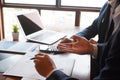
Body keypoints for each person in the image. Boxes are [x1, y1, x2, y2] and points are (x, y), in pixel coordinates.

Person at [34, 0, 120, 80]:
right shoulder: (108, 4)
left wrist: (51, 73)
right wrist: (91, 47)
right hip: (101, 60)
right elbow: (92, 28)